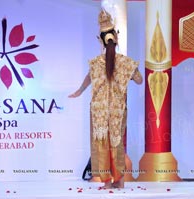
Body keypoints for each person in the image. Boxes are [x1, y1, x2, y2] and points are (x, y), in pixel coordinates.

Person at [69, 10, 142, 189]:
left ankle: (108, 182)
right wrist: (130, 73)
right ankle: (120, 181)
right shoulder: (126, 62)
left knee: (101, 144)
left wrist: (79, 91)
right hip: (117, 110)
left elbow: (88, 79)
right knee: (116, 144)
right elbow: (140, 81)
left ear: (100, 40)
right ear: (116, 39)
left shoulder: (95, 63)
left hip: (99, 110)